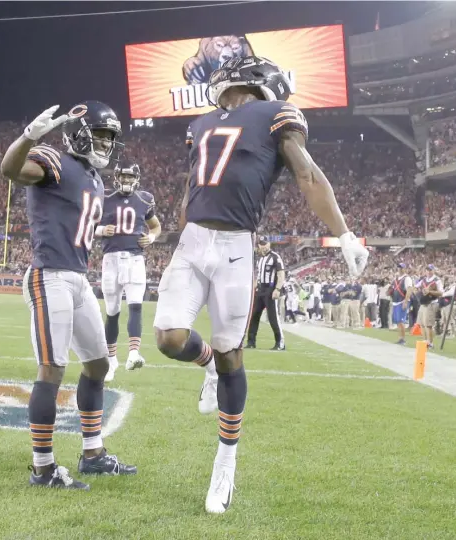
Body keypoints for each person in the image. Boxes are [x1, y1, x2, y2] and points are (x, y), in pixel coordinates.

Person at [152, 56, 369, 513]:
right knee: (169, 339)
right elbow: (193, 185)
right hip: (193, 242)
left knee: (234, 355)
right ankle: (204, 363)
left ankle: (225, 462)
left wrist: (344, 232)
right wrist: (176, 234)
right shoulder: (200, 123)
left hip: (235, 247)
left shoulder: (276, 115)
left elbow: (307, 173)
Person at [1, 101, 136, 490]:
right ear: (78, 133)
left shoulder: (94, 177)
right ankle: (42, 468)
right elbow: (10, 169)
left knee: (98, 366)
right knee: (53, 369)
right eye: (101, 134)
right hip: (50, 276)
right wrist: (29, 136)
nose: (107, 143)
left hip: (78, 279)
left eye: (111, 137)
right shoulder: (53, 159)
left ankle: (92, 454)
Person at [95, 163, 161, 381]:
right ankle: (111, 360)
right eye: (123, 176)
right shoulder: (105, 198)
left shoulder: (144, 199)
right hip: (111, 259)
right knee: (112, 311)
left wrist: (150, 238)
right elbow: (87, 224)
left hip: (135, 259)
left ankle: (133, 353)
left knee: (135, 306)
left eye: (130, 177)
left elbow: (156, 227)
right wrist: (102, 230)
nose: (126, 181)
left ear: (137, 179)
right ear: (116, 177)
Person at [246, 237, 286, 350]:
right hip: (260, 289)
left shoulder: (275, 257)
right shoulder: (260, 259)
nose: (263, 246)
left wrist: (277, 289)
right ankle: (251, 342)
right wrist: (253, 287)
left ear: (269, 244)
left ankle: (280, 343)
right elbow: (258, 275)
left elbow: (281, 274)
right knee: (254, 316)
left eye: (265, 244)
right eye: (261, 244)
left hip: (270, 289)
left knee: (273, 317)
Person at [417, 264, 443, 349]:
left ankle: (430, 343)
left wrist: (430, 291)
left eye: (430, 270)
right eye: (427, 270)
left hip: (431, 302)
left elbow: (440, 293)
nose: (428, 271)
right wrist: (418, 291)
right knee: (421, 323)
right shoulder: (424, 279)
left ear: (433, 271)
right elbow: (416, 286)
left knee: (428, 324)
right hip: (423, 302)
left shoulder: (437, 280)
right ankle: (425, 341)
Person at [389, 263, 413, 345]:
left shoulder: (407, 278)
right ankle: (400, 338)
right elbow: (392, 288)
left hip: (402, 301)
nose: (400, 269)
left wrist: (406, 302)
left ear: (405, 269)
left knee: (401, 320)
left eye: (401, 268)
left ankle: (403, 339)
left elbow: (409, 290)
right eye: (399, 267)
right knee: (397, 321)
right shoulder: (396, 279)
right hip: (396, 301)